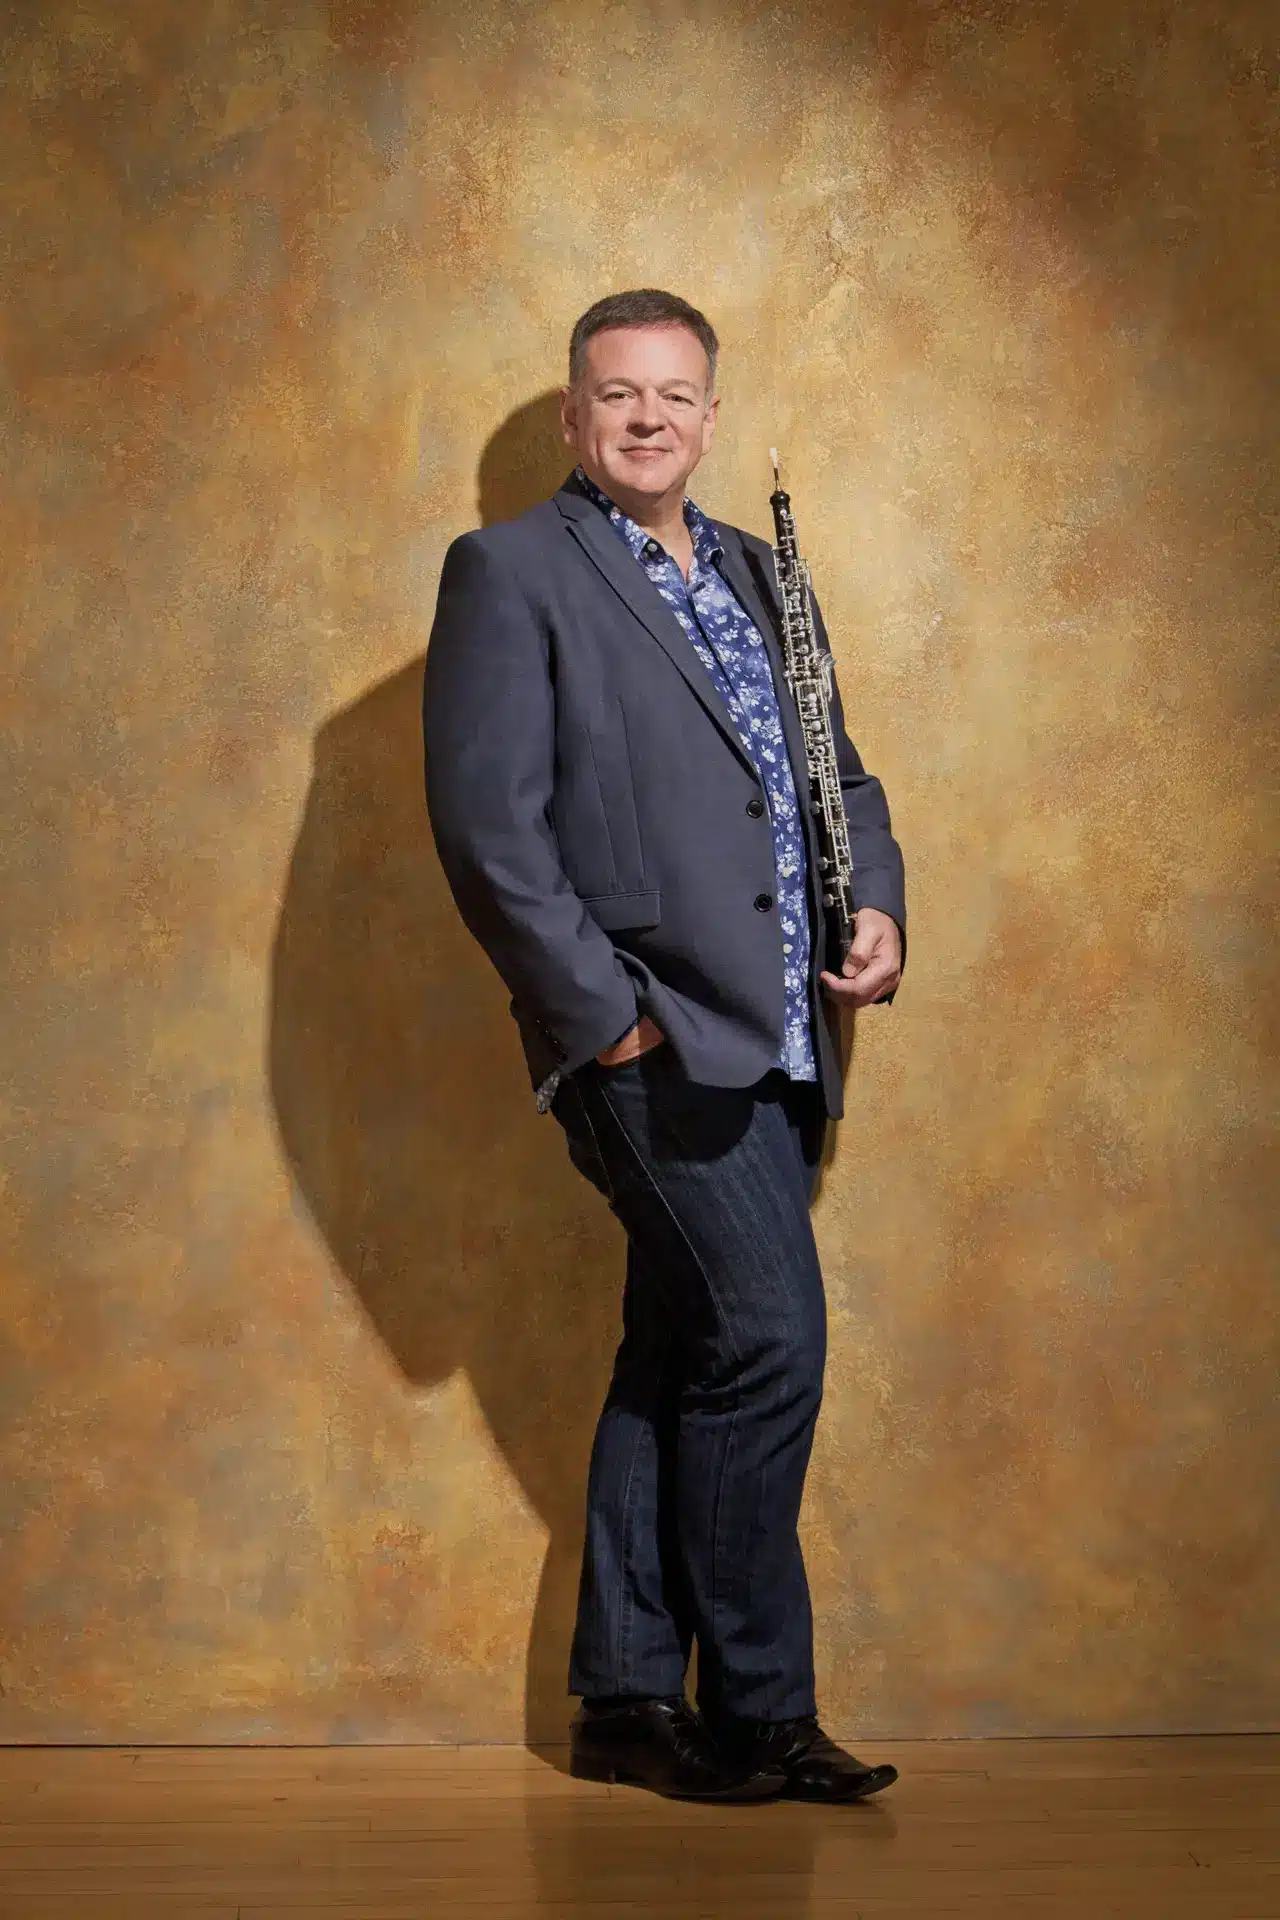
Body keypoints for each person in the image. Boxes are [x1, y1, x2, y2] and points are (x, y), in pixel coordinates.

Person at [423, 289, 906, 1804]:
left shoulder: (765, 572)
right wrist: (605, 1021)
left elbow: (840, 778)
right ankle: (760, 1708)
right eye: (619, 394)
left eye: (677, 394)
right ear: (575, 417)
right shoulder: (510, 570)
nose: (649, 418)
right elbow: (490, 829)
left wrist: (877, 908)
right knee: (768, 1341)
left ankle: (629, 1698)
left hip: (784, 1032)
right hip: (654, 1032)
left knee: (681, 1345)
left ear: (709, 415)